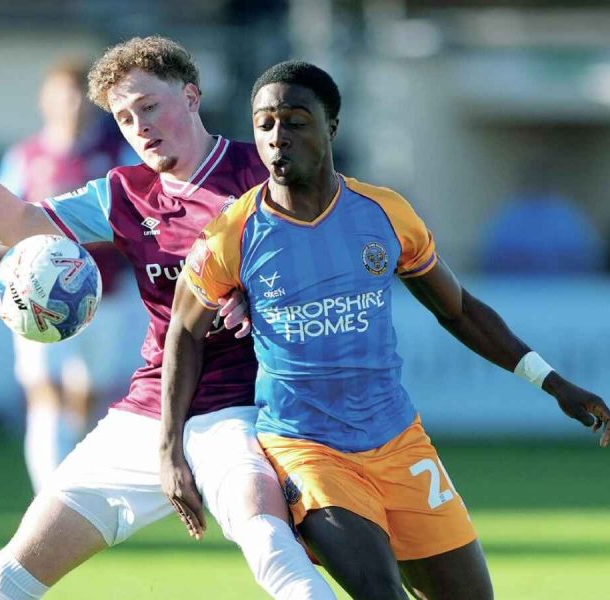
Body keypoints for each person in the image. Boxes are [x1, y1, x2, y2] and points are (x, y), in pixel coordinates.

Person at [168, 60, 610, 600]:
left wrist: (554, 383)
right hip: (308, 450)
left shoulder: (385, 213)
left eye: (296, 121)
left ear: (330, 127)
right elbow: (183, 333)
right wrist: (170, 451)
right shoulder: (232, 235)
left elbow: (460, 310)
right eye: (265, 124)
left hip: (400, 444)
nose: (278, 138)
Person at [0, 36, 334, 599]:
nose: (139, 125)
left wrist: (263, 294)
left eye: (149, 105)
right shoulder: (125, 193)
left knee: (276, 556)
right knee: (8, 578)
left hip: (241, 410)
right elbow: (18, 225)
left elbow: (327, 268)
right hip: (149, 412)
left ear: (191, 96)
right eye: (123, 117)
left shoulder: (261, 172)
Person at [0, 58, 141, 493]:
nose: (71, 104)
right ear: (46, 100)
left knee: (88, 398)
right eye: (62, 93)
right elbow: (0, 217)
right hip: (33, 294)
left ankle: (85, 485)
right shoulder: (26, 157)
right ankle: (50, 495)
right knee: (45, 394)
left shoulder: (118, 157)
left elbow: (146, 212)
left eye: (80, 94)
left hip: (103, 294)